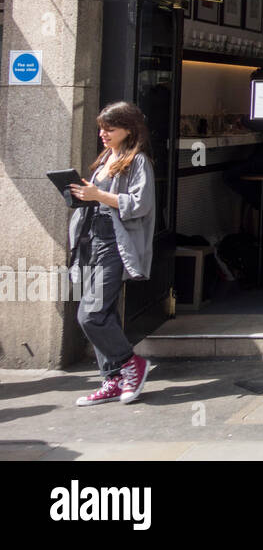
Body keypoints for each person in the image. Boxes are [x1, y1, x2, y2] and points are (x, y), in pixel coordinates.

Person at [67, 102, 156, 405]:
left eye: (110, 128)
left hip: (116, 244)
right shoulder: (107, 156)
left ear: (128, 130)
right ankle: (113, 379)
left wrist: (98, 195)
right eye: (101, 127)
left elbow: (139, 204)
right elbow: (101, 200)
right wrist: (83, 195)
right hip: (93, 239)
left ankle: (131, 363)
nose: (102, 133)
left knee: (89, 315)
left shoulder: (138, 161)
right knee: (102, 313)